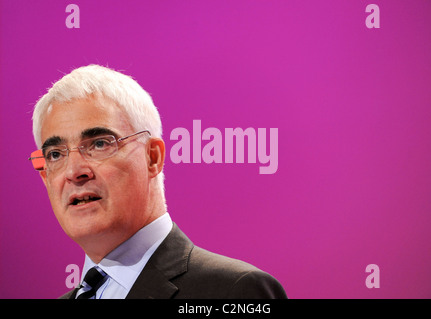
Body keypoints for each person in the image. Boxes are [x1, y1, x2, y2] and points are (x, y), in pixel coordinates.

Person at [29, 64, 287, 299]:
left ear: (152, 157)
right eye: (55, 154)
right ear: (46, 177)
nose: (75, 171)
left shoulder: (233, 292)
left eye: (99, 144)